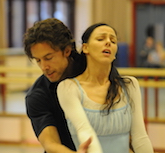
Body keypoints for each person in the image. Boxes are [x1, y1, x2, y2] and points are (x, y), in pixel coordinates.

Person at [57, 23, 154, 153]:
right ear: (85, 48)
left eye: (113, 40)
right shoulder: (68, 87)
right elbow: (85, 131)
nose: (108, 42)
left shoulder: (130, 85)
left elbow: (140, 137)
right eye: (101, 39)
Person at [23, 18, 91, 153]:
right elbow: (50, 144)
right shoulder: (37, 96)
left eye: (48, 58)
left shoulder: (92, 70)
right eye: (38, 60)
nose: (44, 67)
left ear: (67, 51)